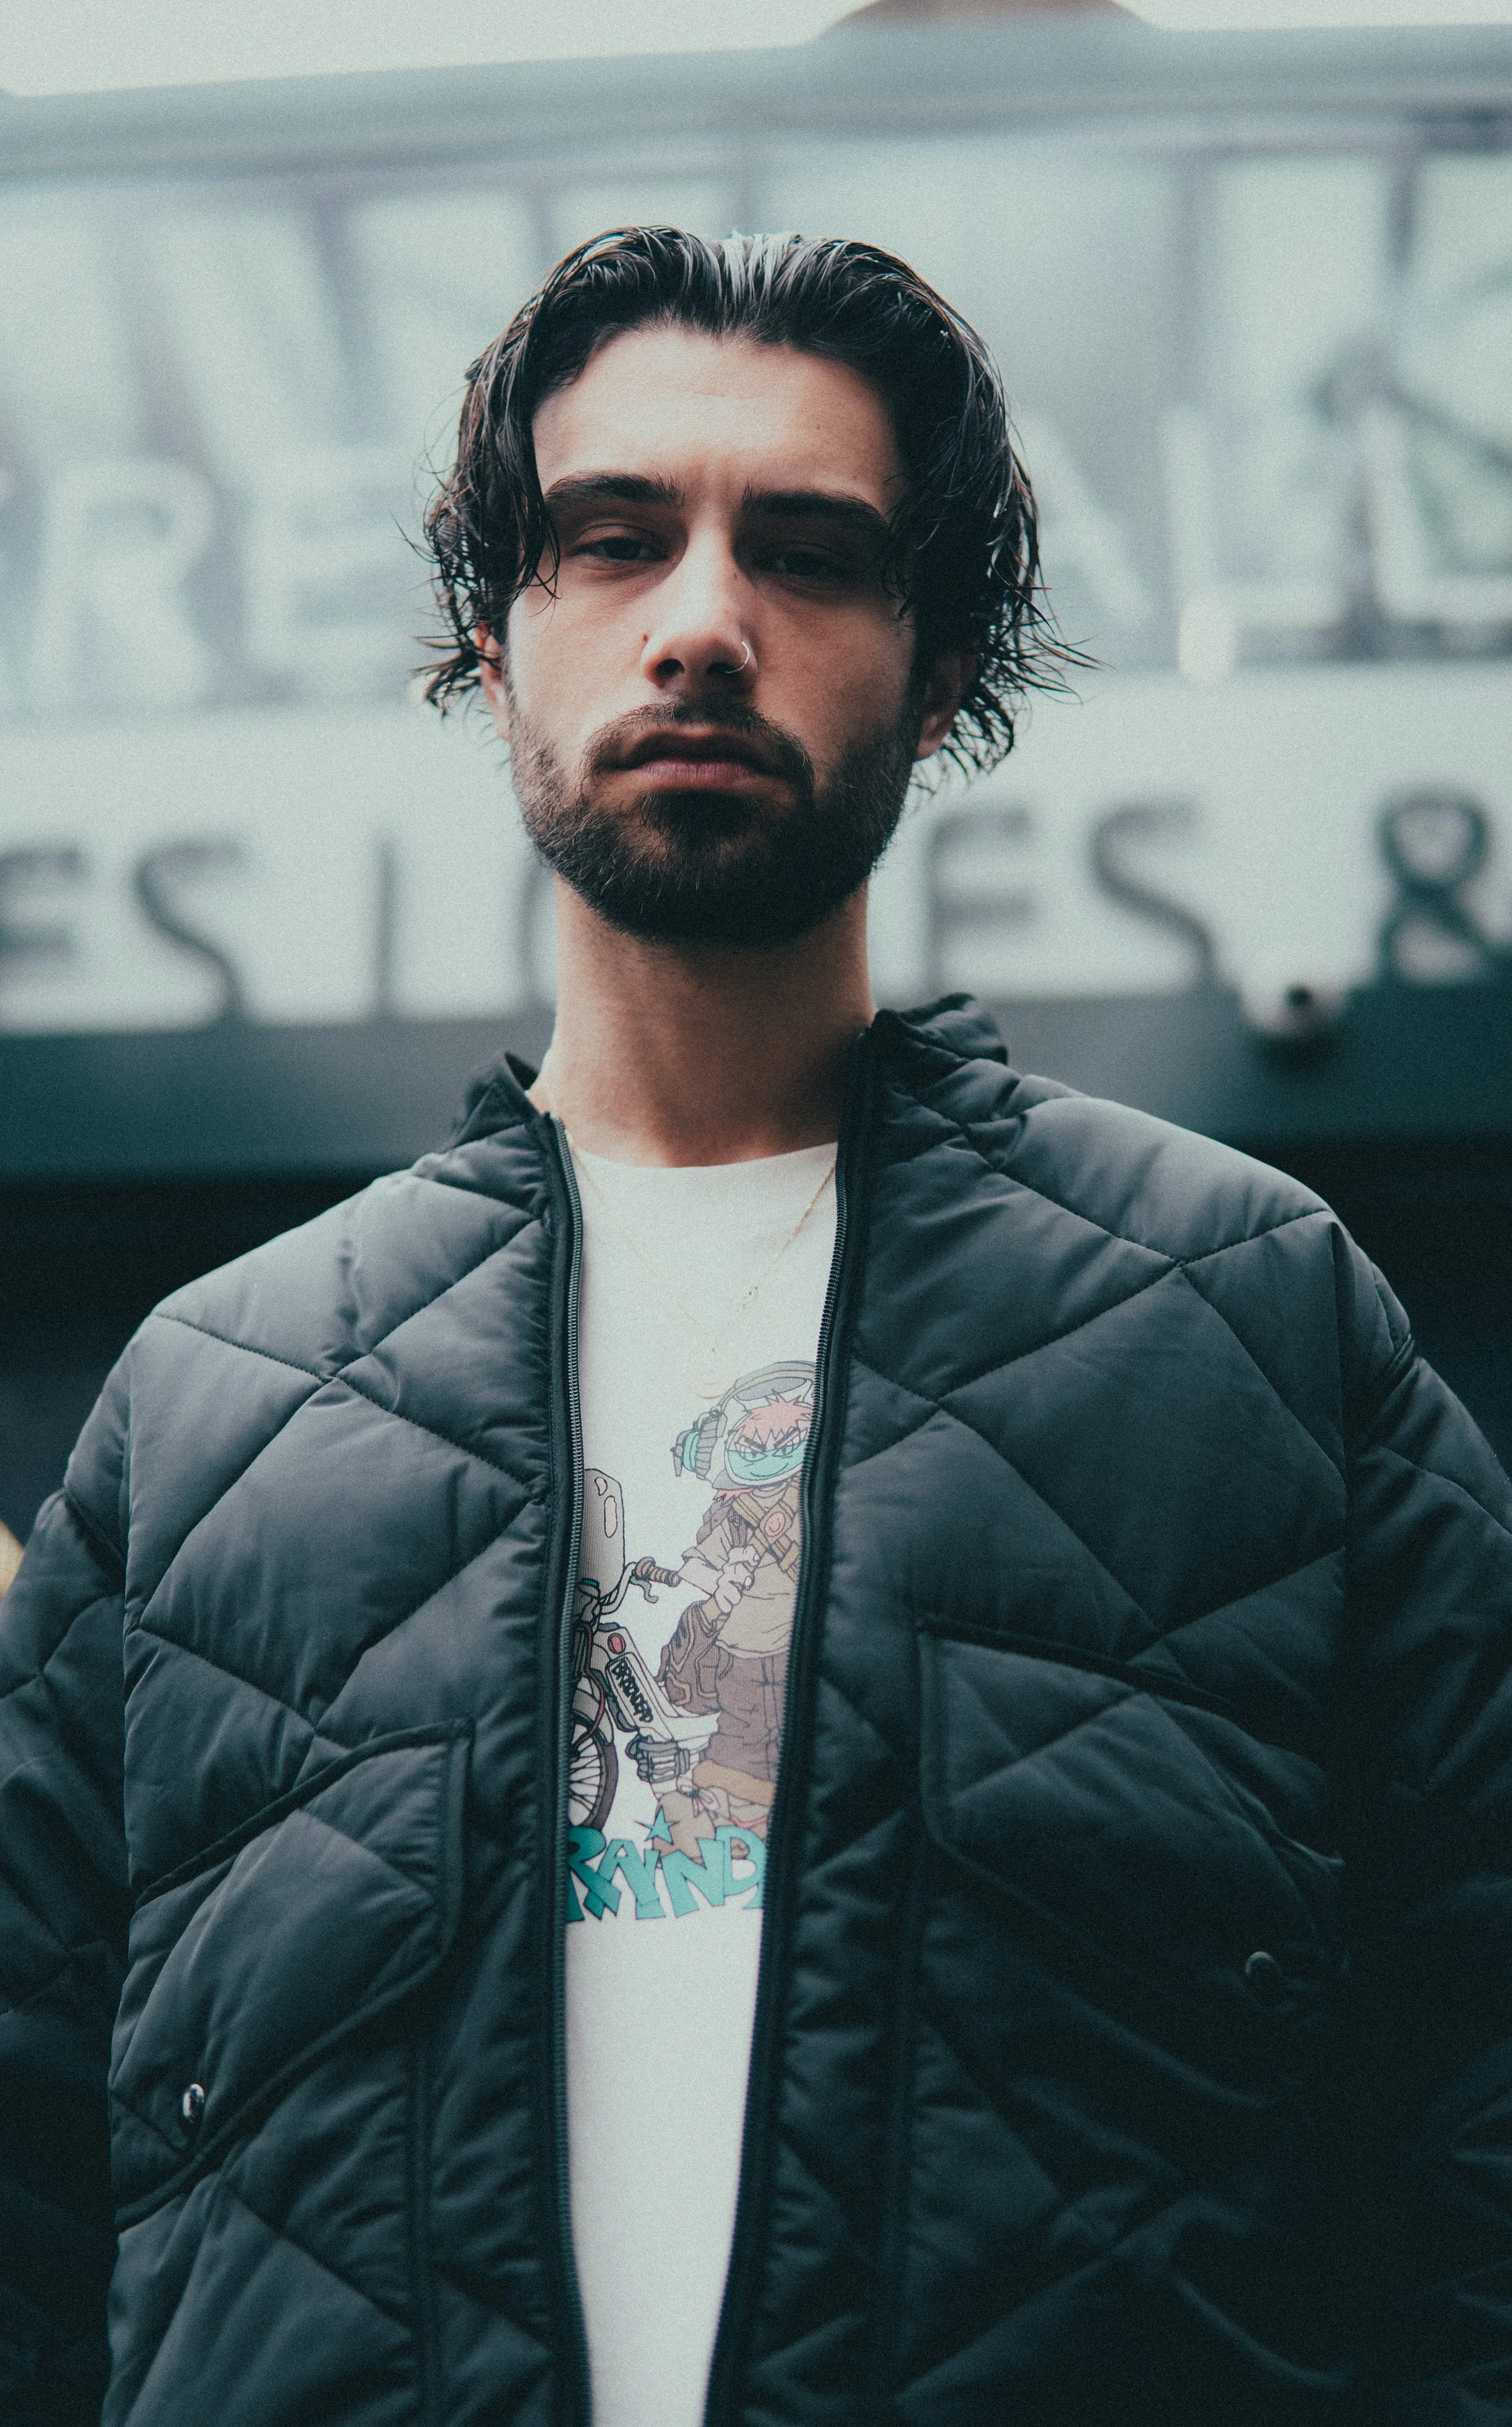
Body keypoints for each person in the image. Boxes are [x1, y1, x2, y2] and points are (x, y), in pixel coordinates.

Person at [2, 226, 1510, 2427]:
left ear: (932, 664)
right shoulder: (206, 1409)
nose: (702, 621)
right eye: (613, 539)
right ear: (492, 641)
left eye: (806, 552)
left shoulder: (1254, 1323)